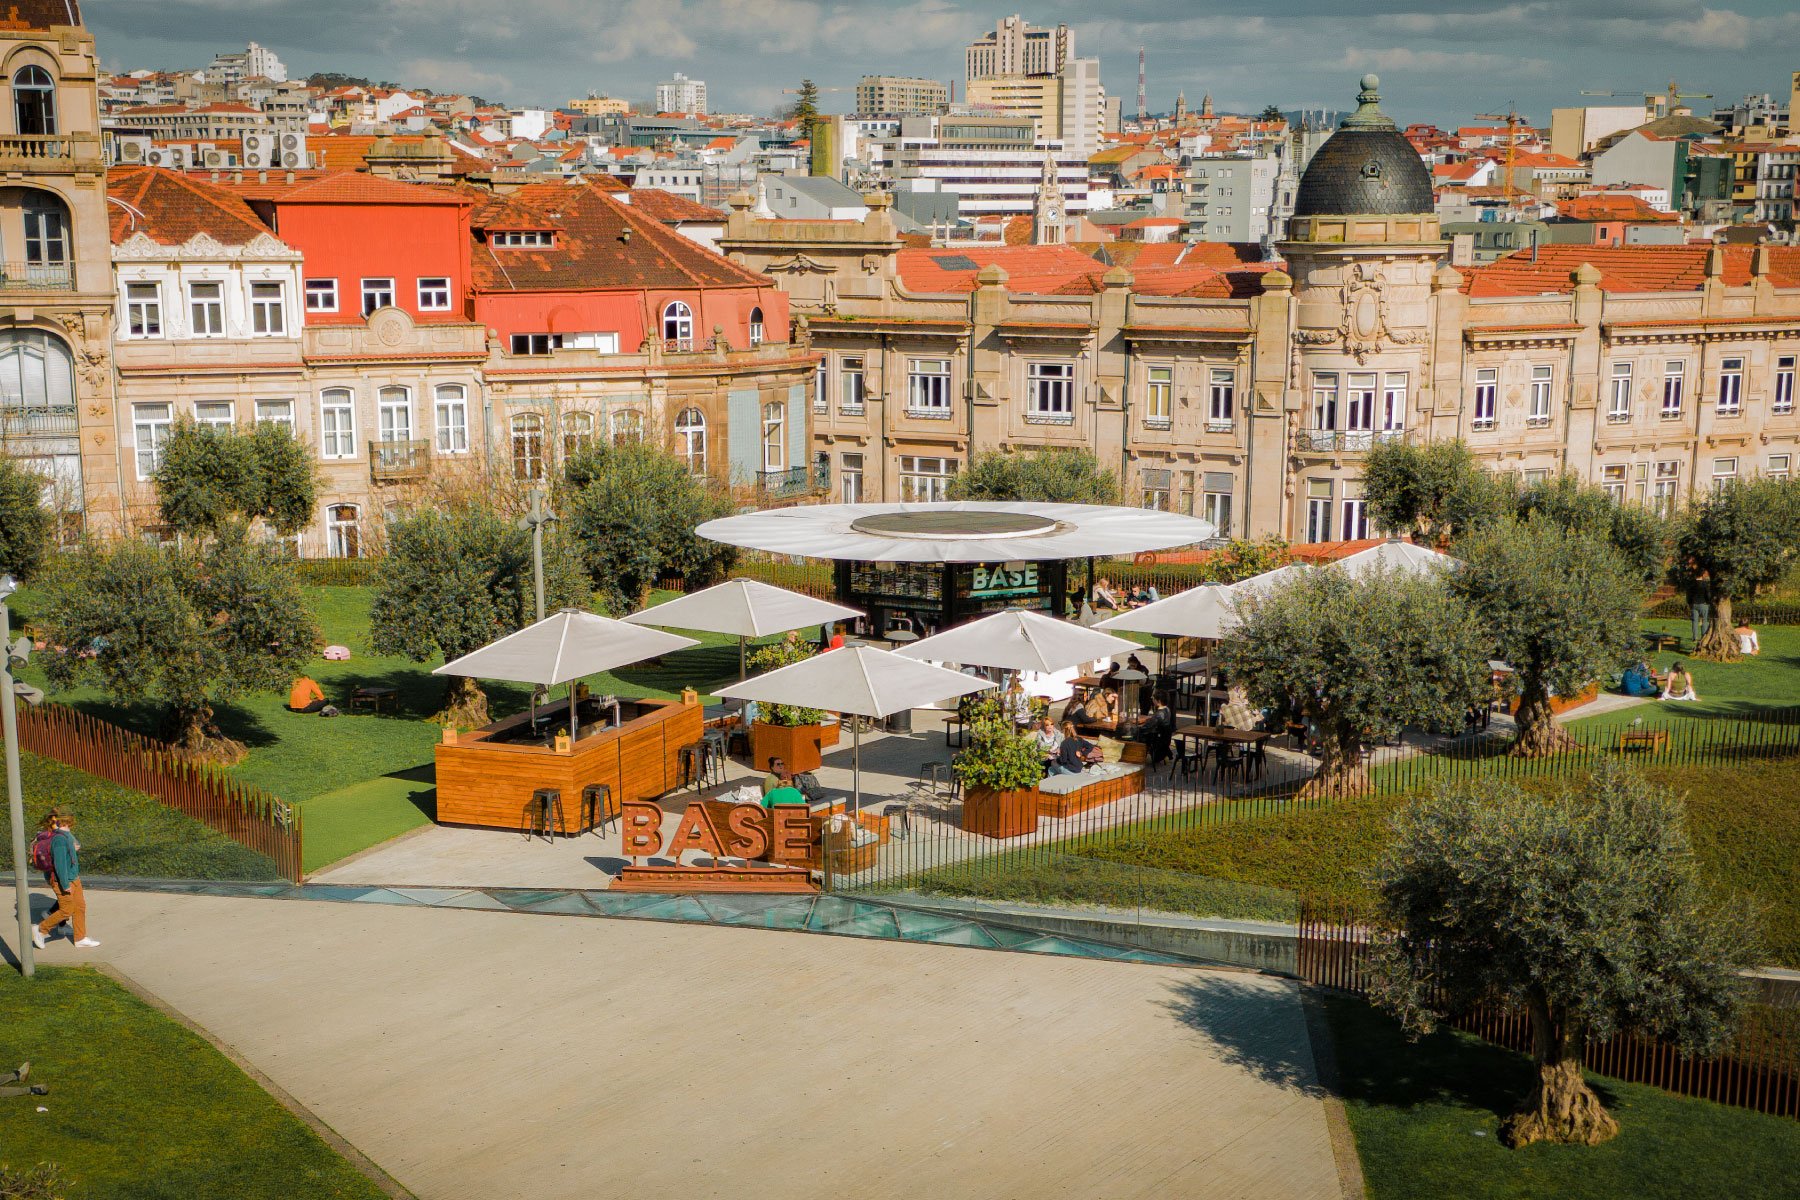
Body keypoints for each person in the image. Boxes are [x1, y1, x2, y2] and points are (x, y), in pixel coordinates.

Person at [32, 809, 96, 950]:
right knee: (67, 910)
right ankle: (41, 930)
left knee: (80, 907)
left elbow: (74, 848)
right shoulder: (59, 839)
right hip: (64, 880)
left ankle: (80, 938)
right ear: (62, 823)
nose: (70, 828)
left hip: (74, 878)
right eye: (68, 825)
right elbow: (60, 865)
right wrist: (65, 884)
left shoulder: (65, 836)